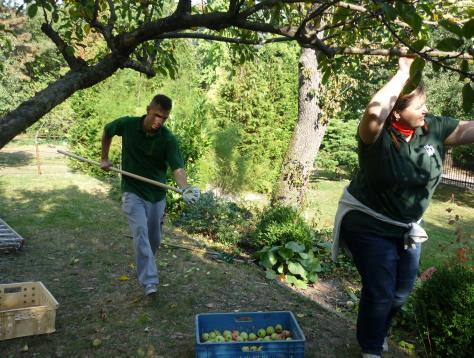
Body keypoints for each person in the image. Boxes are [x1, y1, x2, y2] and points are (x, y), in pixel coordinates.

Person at [331, 57, 474, 358]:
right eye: (418, 105)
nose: (425, 109)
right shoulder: (376, 137)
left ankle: (376, 329)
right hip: (368, 223)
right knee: (381, 290)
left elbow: (467, 129)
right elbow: (373, 112)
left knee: (400, 293)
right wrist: (402, 73)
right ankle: (371, 348)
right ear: (396, 112)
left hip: (406, 227)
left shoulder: (431, 128)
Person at [101, 94, 200, 296]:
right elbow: (108, 131)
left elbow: (178, 169)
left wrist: (185, 188)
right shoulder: (128, 124)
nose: (159, 121)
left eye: (164, 118)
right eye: (156, 115)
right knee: (140, 232)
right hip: (132, 190)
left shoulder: (167, 139)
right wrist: (104, 158)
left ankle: (147, 263)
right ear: (148, 109)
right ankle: (150, 281)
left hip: (156, 195)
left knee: (153, 239)